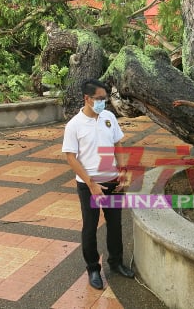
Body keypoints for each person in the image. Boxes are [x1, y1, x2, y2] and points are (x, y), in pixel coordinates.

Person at [62, 79, 135, 290]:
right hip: (89, 186)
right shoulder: (74, 125)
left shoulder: (109, 117)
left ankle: (116, 262)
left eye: (105, 98)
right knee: (90, 226)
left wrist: (122, 171)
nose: (104, 102)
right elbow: (71, 158)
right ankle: (93, 268)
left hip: (112, 182)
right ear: (87, 98)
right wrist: (91, 183)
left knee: (115, 224)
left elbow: (117, 144)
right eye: (100, 99)